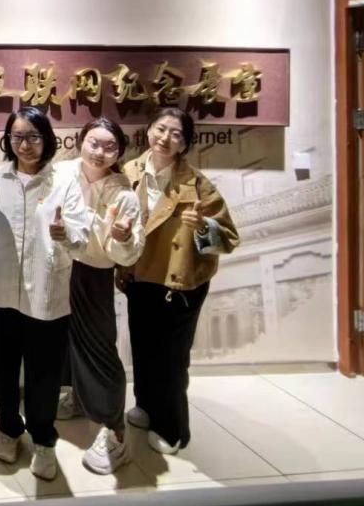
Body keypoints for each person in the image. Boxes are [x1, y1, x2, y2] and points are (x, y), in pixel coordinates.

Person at [121, 106, 239, 454]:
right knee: (143, 347)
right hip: (140, 276)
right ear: (148, 130)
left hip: (179, 282)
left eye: (176, 134)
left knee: (171, 359)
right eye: (161, 129)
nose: (165, 138)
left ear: (185, 143)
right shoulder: (128, 172)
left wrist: (202, 226)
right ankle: (146, 406)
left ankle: (172, 428)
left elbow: (227, 239)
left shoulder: (198, 185)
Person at [0, 107, 81, 481]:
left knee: (44, 372)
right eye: (17, 137)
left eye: (33, 136)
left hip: (46, 292)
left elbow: (82, 232)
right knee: (4, 368)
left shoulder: (64, 181)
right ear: (8, 140)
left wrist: (66, 234)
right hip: (1, 290)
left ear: (47, 140)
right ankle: (9, 429)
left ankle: (43, 440)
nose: (25, 145)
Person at [52, 117, 145, 477]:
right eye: (94, 142)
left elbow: (125, 255)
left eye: (109, 146)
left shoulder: (124, 195)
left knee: (98, 349)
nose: (100, 152)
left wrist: (122, 237)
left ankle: (114, 432)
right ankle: (78, 398)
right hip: (54, 267)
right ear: (80, 141)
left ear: (119, 152)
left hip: (92, 273)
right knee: (59, 342)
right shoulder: (59, 173)